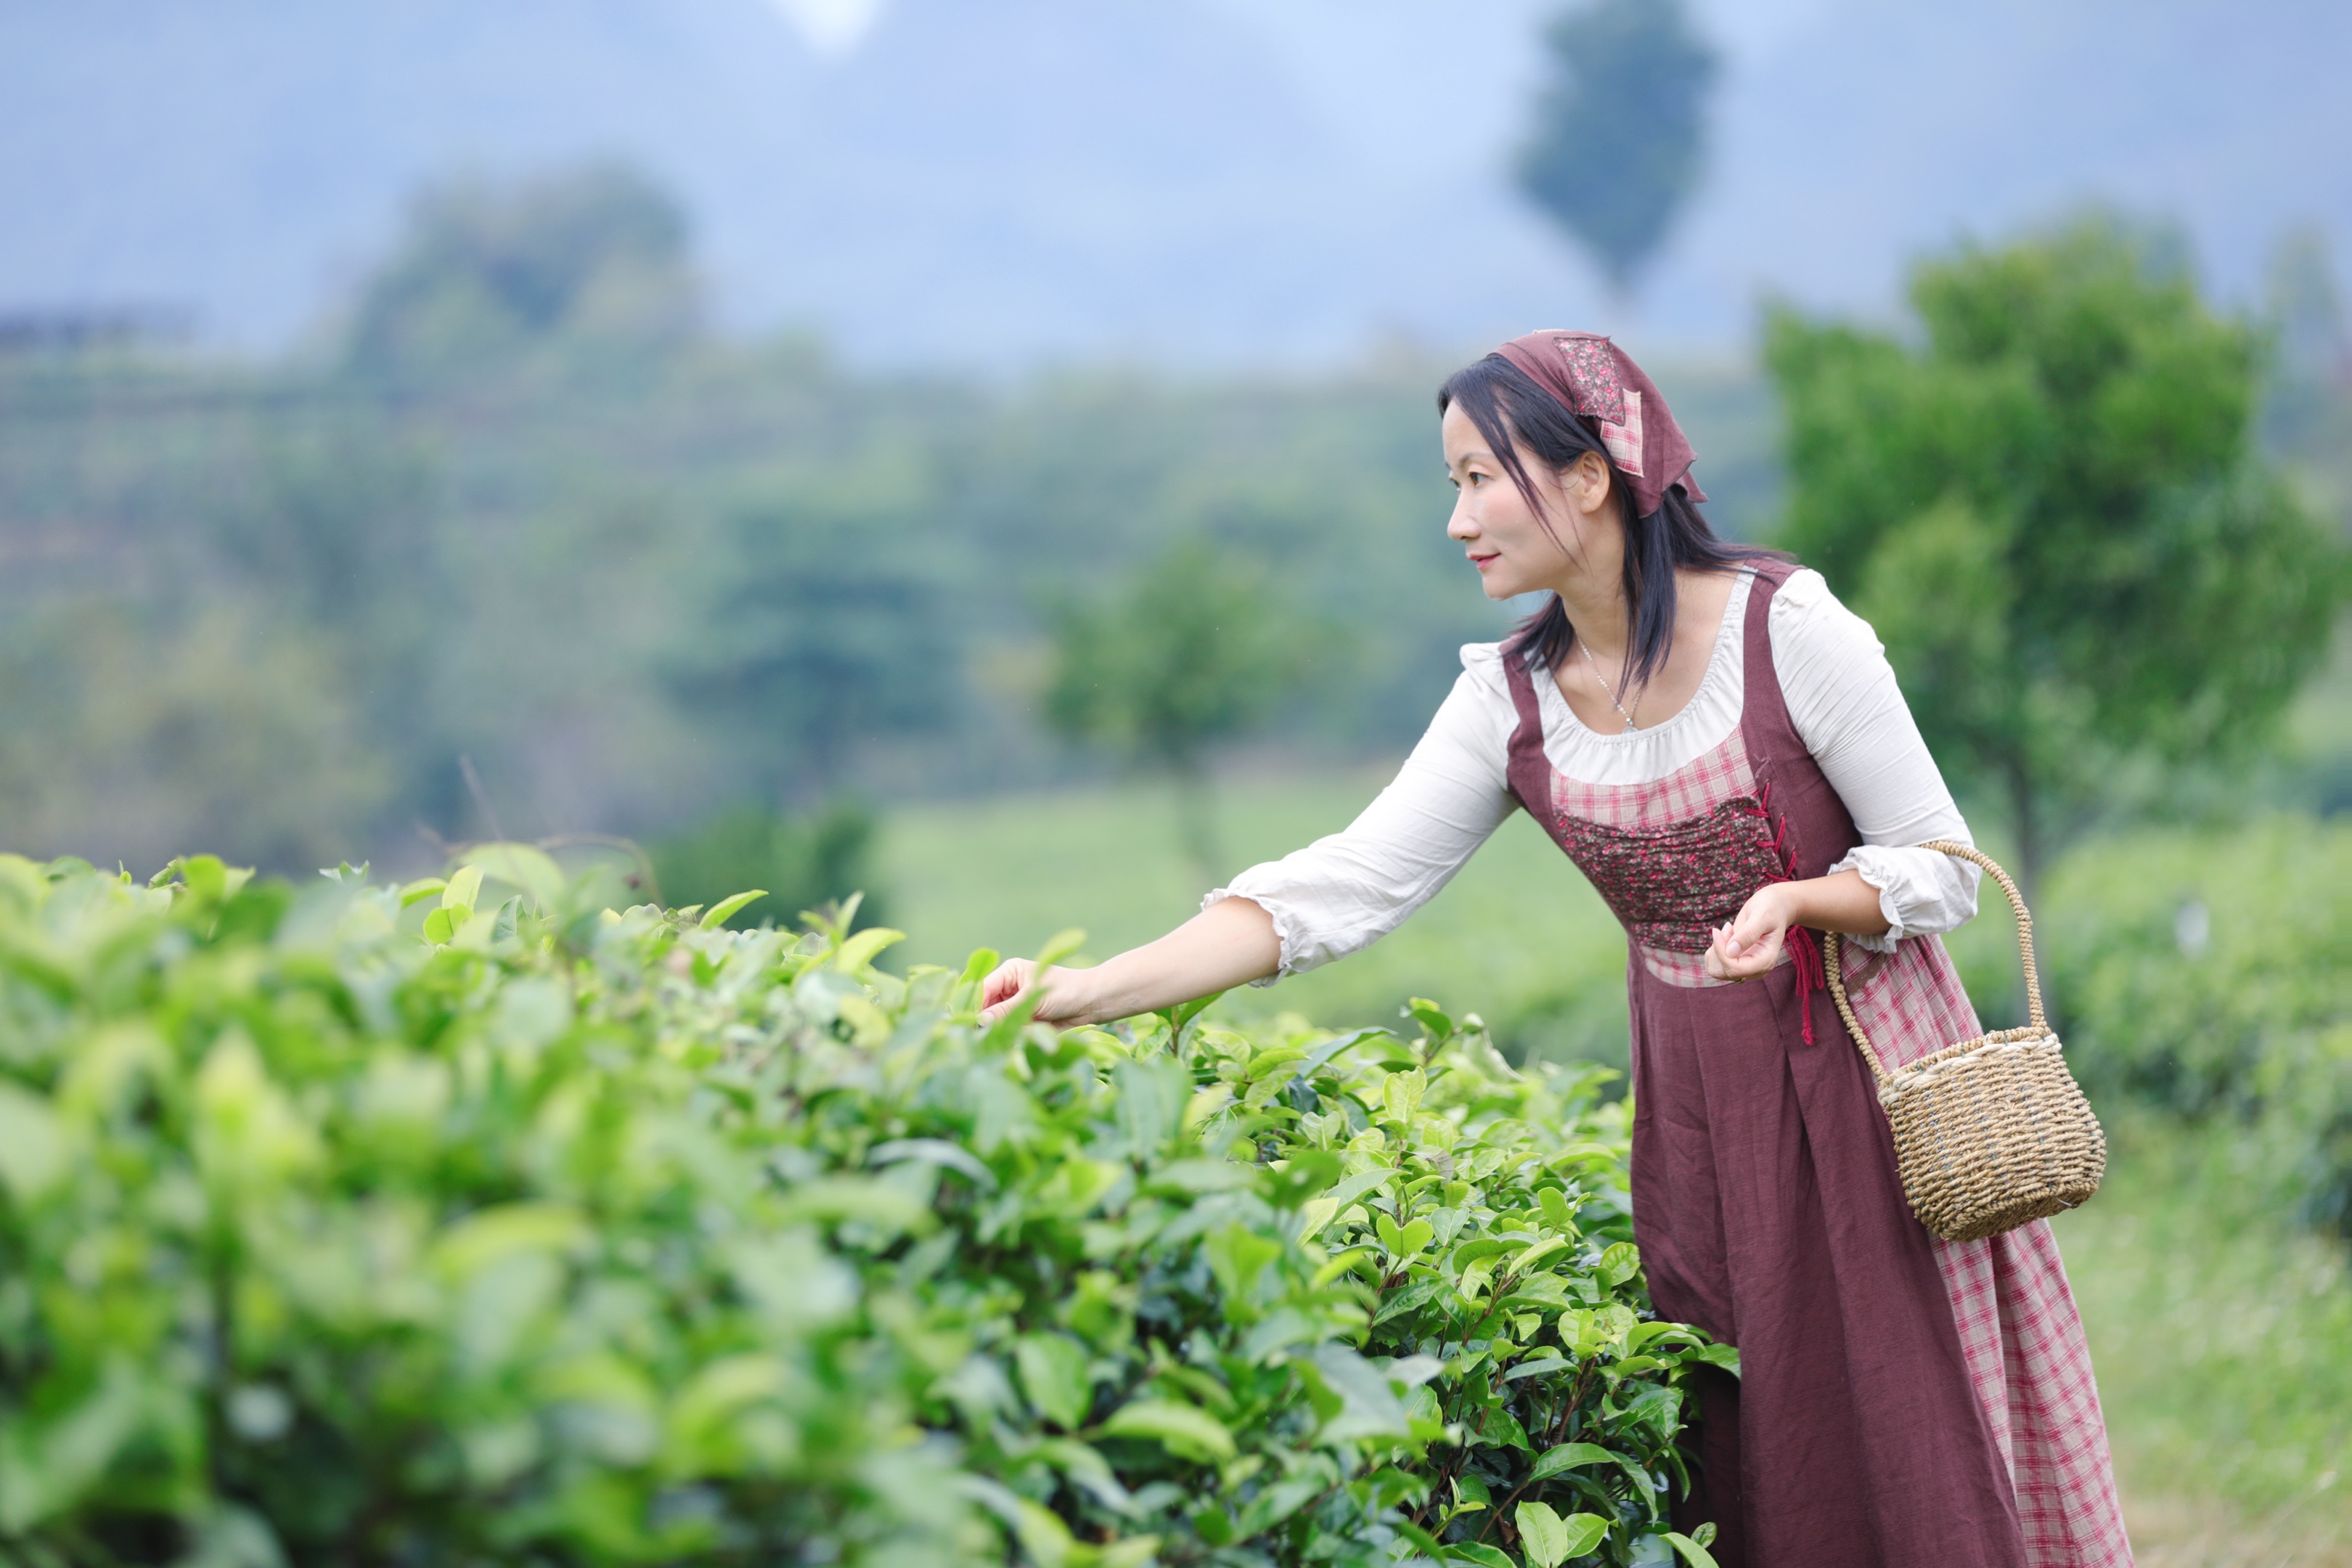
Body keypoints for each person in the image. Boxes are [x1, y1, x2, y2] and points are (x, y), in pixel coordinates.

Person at [979, 332, 2132, 1568]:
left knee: (1903, 1415)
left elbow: (1937, 866)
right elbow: (1348, 885)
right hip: (1697, 1107)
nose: (1459, 519)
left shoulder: (1786, 631)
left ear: (1594, 476)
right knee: (1749, 1433)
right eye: (1453, 482)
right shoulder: (1512, 699)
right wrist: (1094, 990)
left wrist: (1805, 900)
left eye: (1482, 477)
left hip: (1866, 1078)